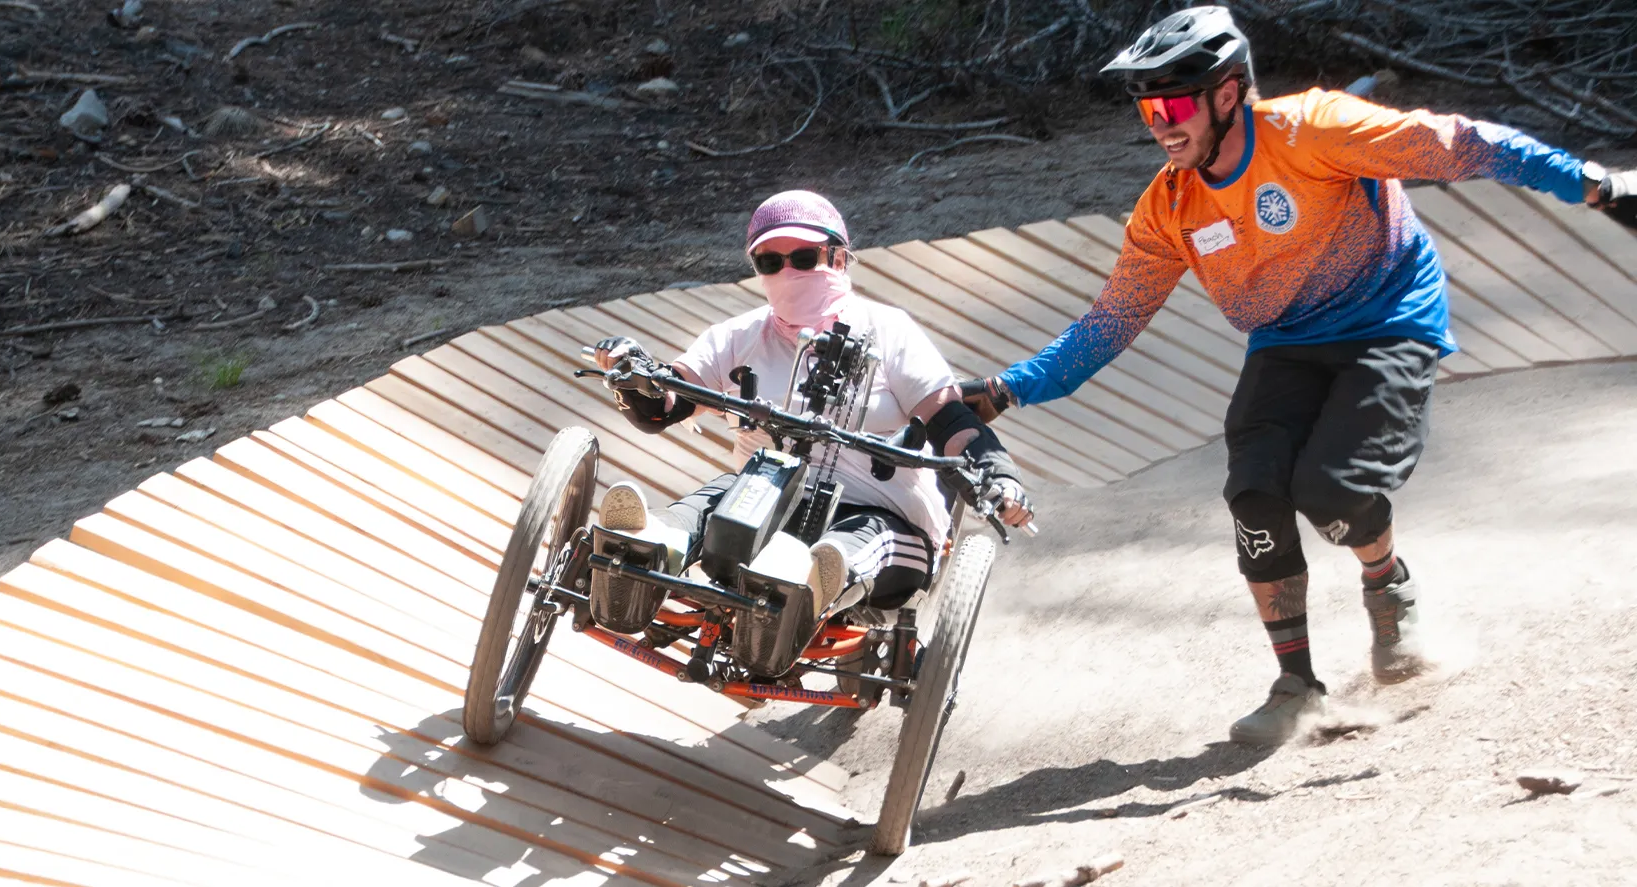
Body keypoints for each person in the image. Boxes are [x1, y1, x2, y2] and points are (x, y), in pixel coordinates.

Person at [958, 6, 1637, 745]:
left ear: (1226, 95)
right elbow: (1110, 322)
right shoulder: (1171, 205)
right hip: (1283, 338)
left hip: (1387, 318)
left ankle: (1386, 583)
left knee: (1331, 490)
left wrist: (1597, 186)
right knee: (1253, 492)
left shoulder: (1314, 130)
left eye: (1173, 104)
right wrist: (1006, 387)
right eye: (1147, 107)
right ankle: (1296, 684)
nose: (1159, 123)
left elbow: (1463, 145)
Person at [590, 190, 1035, 652]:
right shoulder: (738, 337)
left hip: (880, 512)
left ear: (839, 259)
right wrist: (632, 376)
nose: (786, 272)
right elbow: (666, 402)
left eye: (803, 258)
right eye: (769, 262)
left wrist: (999, 476)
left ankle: (806, 578)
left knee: (854, 543)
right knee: (717, 500)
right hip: (763, 500)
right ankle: (650, 546)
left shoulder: (890, 331)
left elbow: (950, 419)